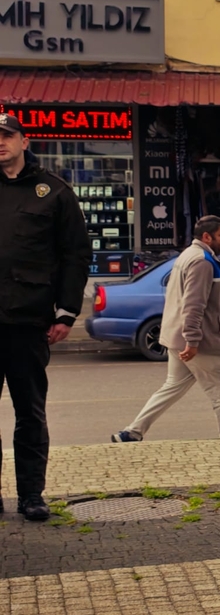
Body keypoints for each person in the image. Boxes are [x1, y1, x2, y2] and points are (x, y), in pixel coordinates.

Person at [0, 113, 89, 521]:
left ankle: (31, 495)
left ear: (23, 139)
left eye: (7, 136)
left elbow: (75, 255)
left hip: (28, 322)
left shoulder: (52, 192)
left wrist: (67, 313)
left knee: (29, 413)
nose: (0, 143)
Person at [113, 216, 220, 443]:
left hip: (179, 338)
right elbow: (194, 304)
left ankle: (132, 432)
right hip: (202, 344)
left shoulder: (189, 256)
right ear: (206, 237)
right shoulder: (202, 261)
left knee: (172, 387)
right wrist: (192, 341)